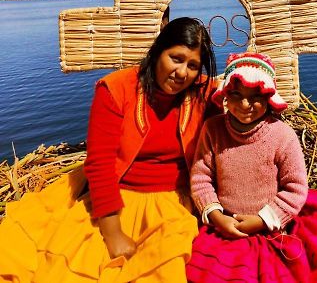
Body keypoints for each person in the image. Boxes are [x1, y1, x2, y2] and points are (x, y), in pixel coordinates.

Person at [0, 17, 219, 283]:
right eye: (176, 58)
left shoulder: (204, 94)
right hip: (117, 200)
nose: (182, 72)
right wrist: (112, 232)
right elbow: (100, 163)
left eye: (193, 66)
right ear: (158, 51)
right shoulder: (117, 89)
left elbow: (246, 99)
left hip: (175, 202)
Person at [186, 52, 317, 283]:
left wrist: (262, 220)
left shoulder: (281, 135)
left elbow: (295, 188)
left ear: (270, 98)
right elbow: (201, 178)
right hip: (224, 224)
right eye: (236, 95)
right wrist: (216, 216)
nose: (244, 104)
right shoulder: (213, 129)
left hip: (270, 226)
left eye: (255, 97)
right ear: (225, 96)